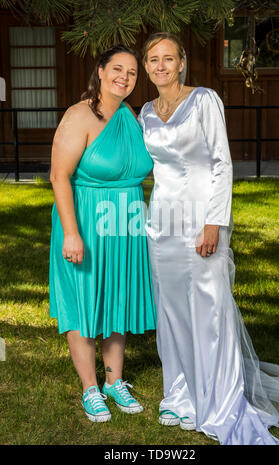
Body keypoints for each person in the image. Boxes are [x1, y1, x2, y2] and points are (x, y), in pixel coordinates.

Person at [138, 32, 279, 445]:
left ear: (182, 63)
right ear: (146, 66)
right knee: (171, 311)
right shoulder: (146, 111)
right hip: (161, 224)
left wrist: (213, 222)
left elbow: (221, 164)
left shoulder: (204, 100)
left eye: (168, 59)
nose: (160, 66)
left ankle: (218, 399)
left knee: (208, 309)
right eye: (153, 59)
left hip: (199, 221)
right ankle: (179, 394)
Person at [49, 45, 156, 423]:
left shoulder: (132, 116)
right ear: (100, 71)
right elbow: (59, 176)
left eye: (131, 71)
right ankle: (90, 389)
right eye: (117, 69)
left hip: (125, 222)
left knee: (116, 301)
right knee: (84, 302)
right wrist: (71, 234)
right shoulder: (80, 116)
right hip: (85, 222)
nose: (124, 77)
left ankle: (115, 382)